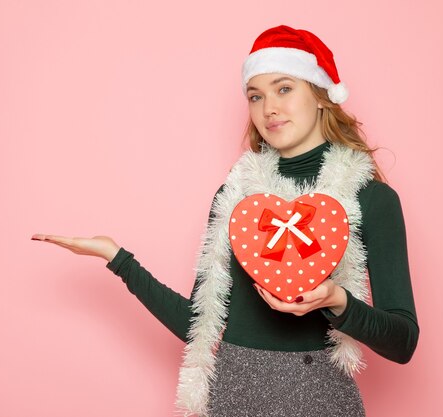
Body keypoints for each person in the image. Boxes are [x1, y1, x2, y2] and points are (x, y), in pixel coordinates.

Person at [32, 24, 419, 417]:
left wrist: (338, 302)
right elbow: (198, 323)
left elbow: (403, 343)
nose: (268, 107)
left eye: (284, 88)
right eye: (256, 95)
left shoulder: (370, 200)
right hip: (232, 399)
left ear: (320, 95)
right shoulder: (237, 198)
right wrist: (118, 259)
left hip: (323, 400)